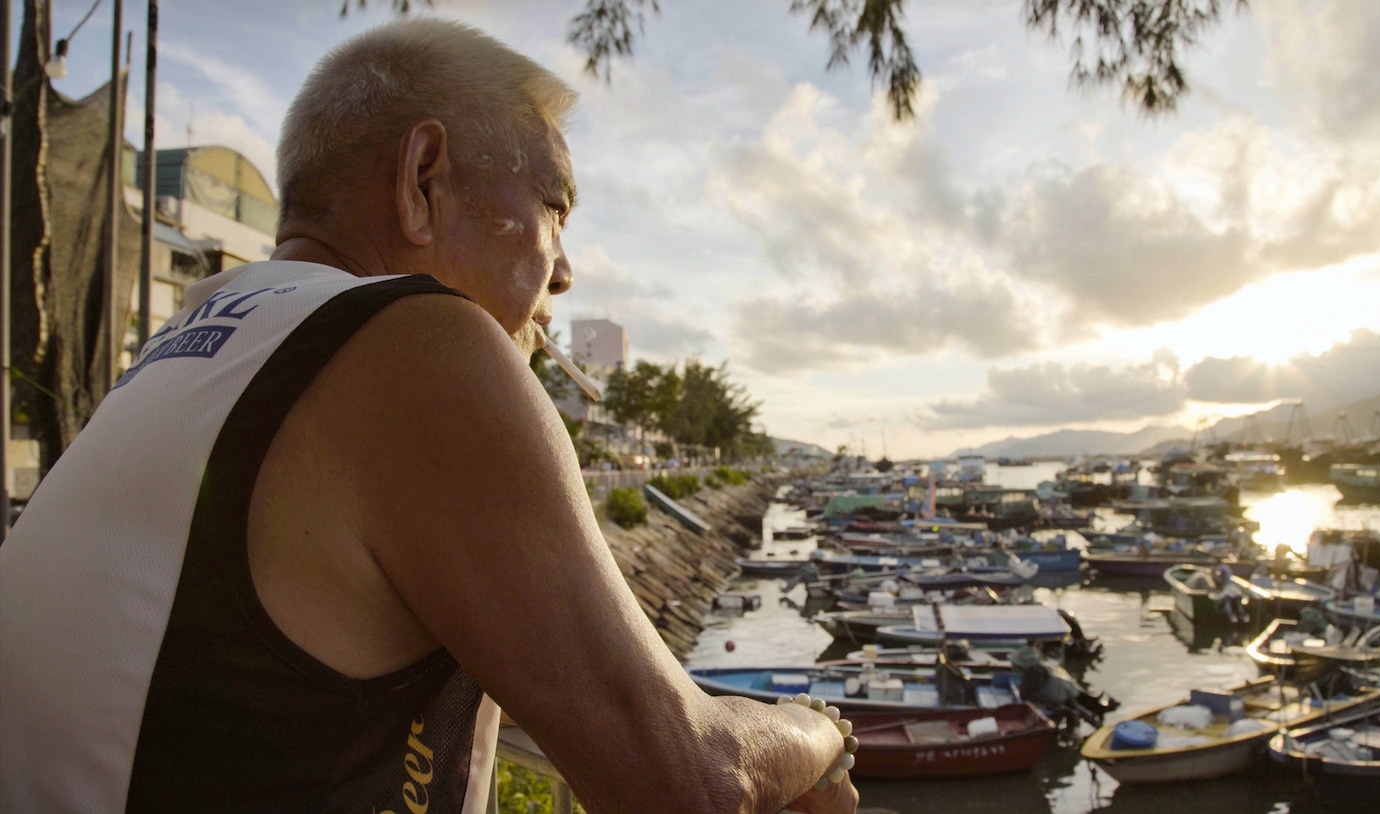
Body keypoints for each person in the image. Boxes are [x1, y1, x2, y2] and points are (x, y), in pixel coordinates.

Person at [0, 20, 856, 814]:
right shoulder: (418, 339)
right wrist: (819, 734)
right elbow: (689, 778)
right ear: (422, 180)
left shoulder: (193, 343)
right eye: (555, 206)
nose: (564, 273)